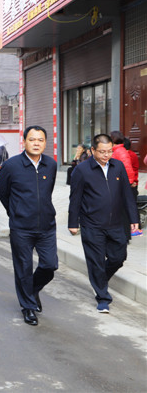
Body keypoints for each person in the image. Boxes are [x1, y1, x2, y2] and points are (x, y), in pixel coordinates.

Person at [69, 134, 139, 313]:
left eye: (109, 151)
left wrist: (134, 219)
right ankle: (102, 298)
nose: (106, 155)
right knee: (96, 262)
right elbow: (75, 198)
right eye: (102, 152)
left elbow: (127, 194)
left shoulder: (118, 166)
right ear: (93, 150)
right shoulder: (82, 170)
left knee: (118, 258)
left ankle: (99, 280)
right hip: (92, 224)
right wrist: (73, 222)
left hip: (116, 223)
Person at [0, 125, 58, 326]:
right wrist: (15, 211)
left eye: (40, 140)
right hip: (21, 227)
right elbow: (3, 193)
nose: (36, 143)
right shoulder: (11, 165)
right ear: (24, 141)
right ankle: (28, 307)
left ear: (45, 143)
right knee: (23, 267)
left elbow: (48, 191)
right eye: (32, 139)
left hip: (47, 225)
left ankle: (32, 289)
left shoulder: (51, 164)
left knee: (50, 265)